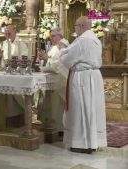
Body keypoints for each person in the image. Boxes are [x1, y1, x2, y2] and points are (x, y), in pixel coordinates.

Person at [60, 16, 107, 154]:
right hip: (94, 77)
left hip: (82, 79)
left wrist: (61, 52)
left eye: (75, 26)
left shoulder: (82, 40)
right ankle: (93, 142)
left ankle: (81, 143)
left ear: (81, 26)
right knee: (92, 109)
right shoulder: (95, 39)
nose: (75, 29)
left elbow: (67, 58)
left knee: (80, 109)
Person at [38, 28, 69, 135]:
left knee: (57, 105)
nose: (51, 38)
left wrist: (47, 59)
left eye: (53, 36)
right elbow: (49, 62)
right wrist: (43, 60)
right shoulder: (54, 47)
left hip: (61, 80)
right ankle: (48, 125)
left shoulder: (63, 45)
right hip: (52, 79)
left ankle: (59, 128)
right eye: (51, 36)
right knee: (48, 102)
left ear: (60, 35)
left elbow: (59, 64)